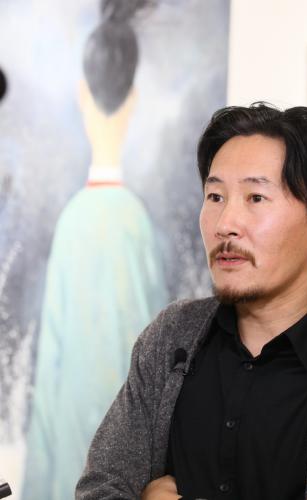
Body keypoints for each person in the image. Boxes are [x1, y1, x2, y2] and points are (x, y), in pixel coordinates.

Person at [76, 103, 307, 500]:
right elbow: (98, 489)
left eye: (256, 198)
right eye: (215, 196)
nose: (225, 223)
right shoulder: (170, 336)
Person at [22, 1, 168, 499]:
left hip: (71, 462)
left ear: (82, 94)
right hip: (128, 466)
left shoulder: (72, 223)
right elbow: (161, 361)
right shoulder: (137, 225)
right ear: (133, 100)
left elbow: (51, 364)